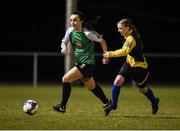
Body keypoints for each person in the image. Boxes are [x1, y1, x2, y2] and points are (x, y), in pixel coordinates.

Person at [53, 11, 111, 116]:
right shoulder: (70, 31)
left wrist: (105, 55)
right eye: (71, 20)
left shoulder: (88, 33)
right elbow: (63, 41)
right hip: (79, 63)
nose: (72, 22)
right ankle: (107, 103)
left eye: (75, 20)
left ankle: (62, 106)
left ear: (81, 21)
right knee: (91, 87)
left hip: (88, 64)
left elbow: (102, 41)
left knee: (66, 79)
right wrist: (63, 48)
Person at [103, 18, 160, 116]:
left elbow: (124, 51)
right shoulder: (127, 36)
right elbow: (127, 53)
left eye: (120, 28)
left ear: (127, 27)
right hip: (129, 64)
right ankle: (113, 104)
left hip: (140, 67)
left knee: (142, 89)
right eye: (118, 28)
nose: (118, 30)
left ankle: (154, 101)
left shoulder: (131, 38)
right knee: (118, 81)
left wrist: (109, 54)